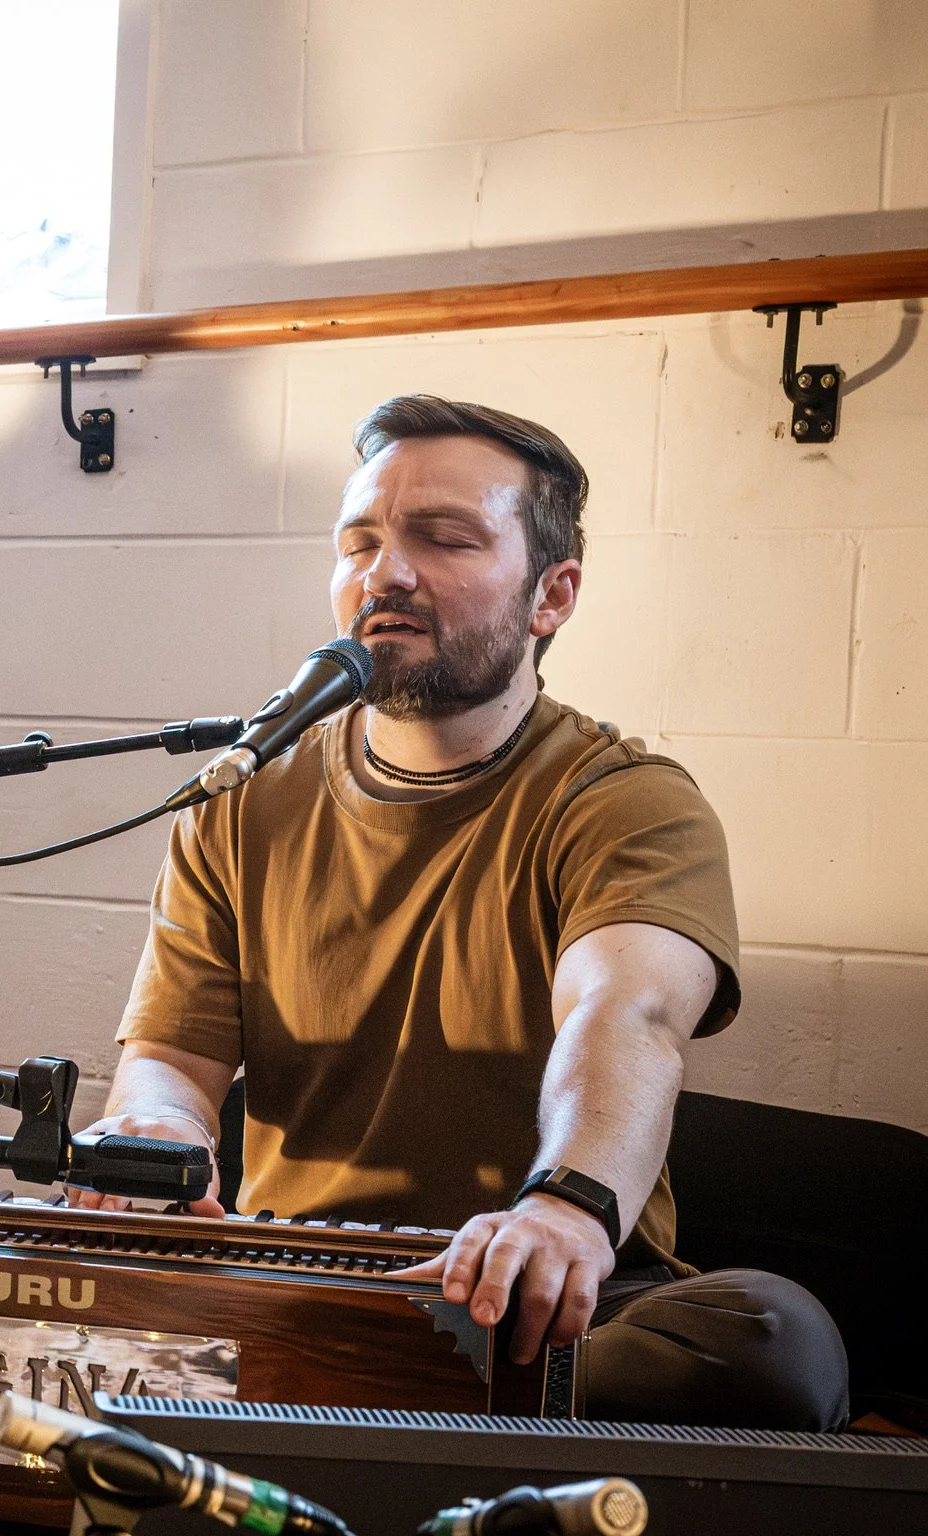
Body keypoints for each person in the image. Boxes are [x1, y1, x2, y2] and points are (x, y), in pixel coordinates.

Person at [80, 395, 848, 1431]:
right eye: (359, 541)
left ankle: (330, 1421)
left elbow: (626, 1015)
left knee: (766, 1340)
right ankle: (390, 1422)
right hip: (297, 1277)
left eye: (441, 539)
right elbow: (172, 1059)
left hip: (535, 1298)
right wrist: (155, 1140)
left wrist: (561, 1206)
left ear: (551, 595)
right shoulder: (244, 796)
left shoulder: (622, 800)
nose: (384, 573)